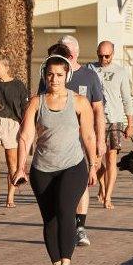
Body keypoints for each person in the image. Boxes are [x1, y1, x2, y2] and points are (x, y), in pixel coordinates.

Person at [12, 54, 98, 265]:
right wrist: (20, 167)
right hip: (43, 169)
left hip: (73, 166)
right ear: (44, 75)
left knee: (65, 210)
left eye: (59, 74)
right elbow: (25, 136)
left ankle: (67, 263)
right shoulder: (35, 102)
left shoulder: (79, 102)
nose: (54, 79)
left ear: (67, 76)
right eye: (50, 74)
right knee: (49, 219)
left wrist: (94, 164)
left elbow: (88, 135)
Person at [44, 37, 105, 247]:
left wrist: (100, 139)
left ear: (75, 54)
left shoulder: (89, 76)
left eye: (67, 53)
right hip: (55, 141)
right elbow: (39, 107)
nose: (63, 57)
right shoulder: (50, 76)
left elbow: (98, 109)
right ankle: (63, 223)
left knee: (82, 183)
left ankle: (80, 226)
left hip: (81, 140)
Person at [88, 41, 133, 209]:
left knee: (111, 159)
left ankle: (108, 197)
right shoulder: (90, 69)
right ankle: (102, 184)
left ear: (112, 55)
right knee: (96, 161)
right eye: (100, 55)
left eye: (107, 56)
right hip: (93, 120)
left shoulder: (120, 72)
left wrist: (130, 123)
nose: (103, 59)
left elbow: (127, 98)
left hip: (114, 119)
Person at [0, 58, 29, 208]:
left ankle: (10, 197)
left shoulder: (18, 85)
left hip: (12, 125)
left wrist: (26, 128)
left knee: (12, 163)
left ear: (7, 68)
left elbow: (25, 108)